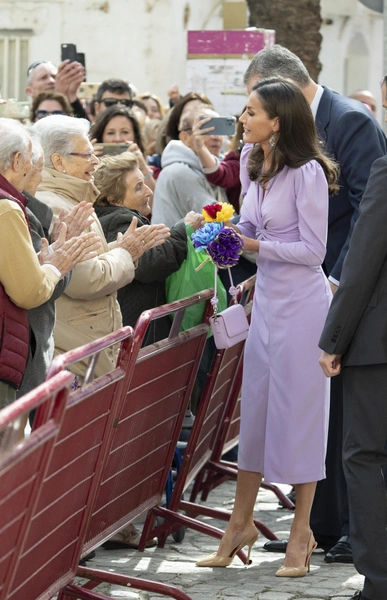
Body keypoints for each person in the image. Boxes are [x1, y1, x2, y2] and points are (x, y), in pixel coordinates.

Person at [245, 44, 387, 563]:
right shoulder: (265, 150)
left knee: (345, 416)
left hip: (341, 288)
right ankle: (321, 526)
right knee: (315, 413)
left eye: (254, 104)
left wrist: (337, 279)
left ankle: (349, 527)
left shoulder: (350, 121)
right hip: (305, 288)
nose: (246, 115)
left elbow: (370, 216)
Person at [195, 77, 338, 577]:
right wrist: (225, 236)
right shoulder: (255, 166)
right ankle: (239, 523)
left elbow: (313, 252)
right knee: (253, 411)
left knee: (300, 416)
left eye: (251, 111)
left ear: (277, 121)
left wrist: (254, 248)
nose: (242, 119)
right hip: (268, 305)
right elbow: (253, 230)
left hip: (303, 308)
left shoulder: (309, 174)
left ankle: (302, 533)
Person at [32, 114, 169, 378]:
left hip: (86, 343)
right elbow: (87, 279)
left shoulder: (75, 196)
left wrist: (119, 251)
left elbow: (95, 262)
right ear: (58, 161)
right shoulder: (56, 205)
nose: (95, 161)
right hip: (72, 349)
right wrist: (125, 253)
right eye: (87, 155)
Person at [319, 154, 387, 600]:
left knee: (364, 457)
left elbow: (362, 260)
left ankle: (379, 584)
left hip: (377, 345)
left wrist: (334, 338)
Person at [0, 118, 100, 408]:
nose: (36, 174)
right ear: (17, 160)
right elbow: (29, 291)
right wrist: (57, 260)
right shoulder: (7, 207)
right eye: (34, 164)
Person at [94, 152, 203, 344]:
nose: (148, 191)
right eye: (138, 188)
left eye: (144, 182)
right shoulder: (120, 222)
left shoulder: (114, 217)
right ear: (114, 199)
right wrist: (183, 230)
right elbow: (152, 263)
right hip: (136, 335)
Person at [151, 106, 226, 228]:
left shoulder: (215, 168)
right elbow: (219, 218)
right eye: (206, 130)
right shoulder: (178, 171)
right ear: (185, 138)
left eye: (219, 130)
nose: (216, 137)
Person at [90, 105, 155, 192]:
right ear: (101, 136)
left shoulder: (145, 167)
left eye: (125, 132)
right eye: (110, 133)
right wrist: (87, 166)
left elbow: (151, 202)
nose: (117, 139)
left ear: (135, 137)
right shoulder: (91, 165)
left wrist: (143, 168)